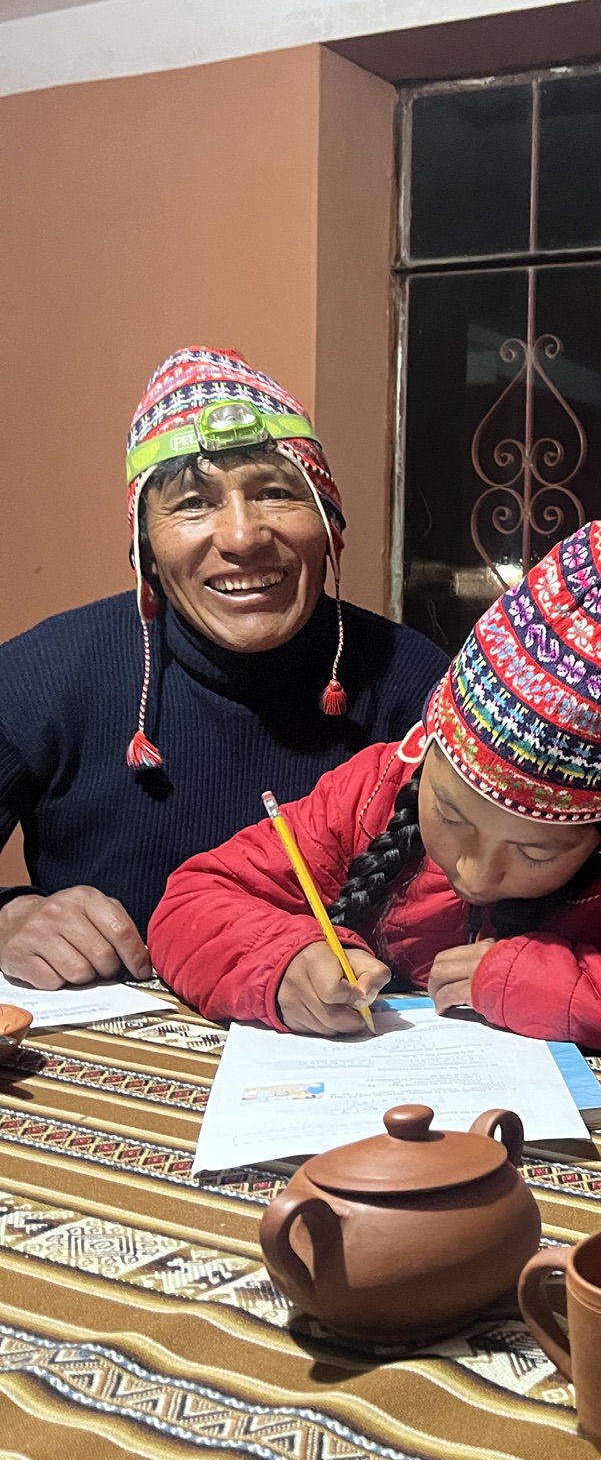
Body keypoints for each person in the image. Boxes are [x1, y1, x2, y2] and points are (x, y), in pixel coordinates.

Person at [149, 493, 601, 1067]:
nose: (476, 873)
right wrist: (283, 964)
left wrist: (547, 983)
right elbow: (190, 902)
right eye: (452, 816)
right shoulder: (377, 789)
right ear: (425, 747)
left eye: (535, 851)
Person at [0, 348, 447, 991]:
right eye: (192, 503)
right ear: (146, 548)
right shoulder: (45, 676)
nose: (242, 536)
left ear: (330, 528)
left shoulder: (418, 687)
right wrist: (8, 917)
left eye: (275, 493)